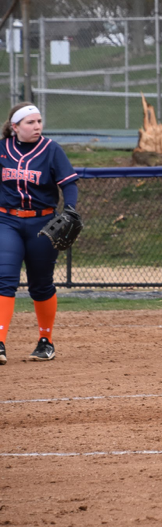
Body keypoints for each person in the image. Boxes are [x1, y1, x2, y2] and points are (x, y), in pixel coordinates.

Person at [0, 103, 80, 364]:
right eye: (30, 122)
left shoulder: (51, 149)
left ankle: (46, 341)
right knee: (4, 279)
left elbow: (69, 184)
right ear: (15, 127)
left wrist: (69, 211)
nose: (37, 127)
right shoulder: (2, 150)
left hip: (42, 224)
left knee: (41, 284)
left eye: (39, 121)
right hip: (7, 221)